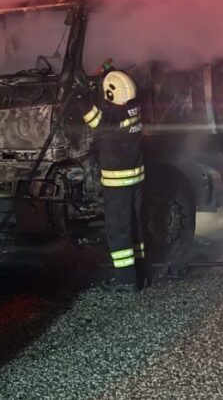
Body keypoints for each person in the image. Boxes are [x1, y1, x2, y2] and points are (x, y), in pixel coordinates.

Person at [74, 65, 147, 291]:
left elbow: (94, 118)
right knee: (135, 227)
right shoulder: (134, 109)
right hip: (136, 180)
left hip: (118, 185)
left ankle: (126, 281)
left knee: (119, 230)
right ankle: (140, 273)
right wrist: (107, 74)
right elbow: (110, 103)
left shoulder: (112, 118)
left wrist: (80, 96)